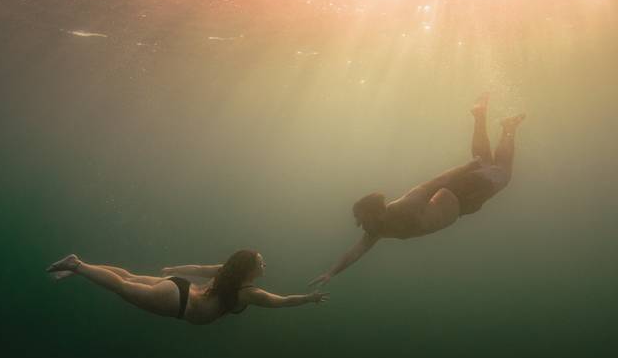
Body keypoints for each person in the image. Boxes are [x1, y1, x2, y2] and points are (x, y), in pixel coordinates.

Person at [309, 93, 526, 288]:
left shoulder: (403, 207)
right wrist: (331, 273)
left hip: (461, 192)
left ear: (376, 212)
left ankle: (508, 128)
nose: (360, 226)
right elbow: (354, 253)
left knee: (502, 174)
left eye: (361, 220)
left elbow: (433, 183)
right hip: (462, 204)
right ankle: (481, 117)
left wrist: (466, 168)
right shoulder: (376, 230)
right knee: (487, 162)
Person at [47, 249, 328, 325]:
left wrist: (174, 270)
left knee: (128, 277)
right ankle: (78, 266)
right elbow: (281, 301)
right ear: (250, 269)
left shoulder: (226, 272)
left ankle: (80, 269)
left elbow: (198, 269)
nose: (265, 266)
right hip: (178, 304)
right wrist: (309, 299)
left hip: (177, 287)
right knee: (121, 287)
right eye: (261, 262)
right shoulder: (249, 293)